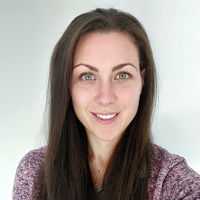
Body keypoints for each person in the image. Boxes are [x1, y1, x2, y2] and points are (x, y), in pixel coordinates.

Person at [13, 8, 200, 200]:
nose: (105, 98)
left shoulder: (176, 185)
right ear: (67, 85)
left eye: (122, 75)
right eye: (87, 76)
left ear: (142, 81)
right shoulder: (34, 173)